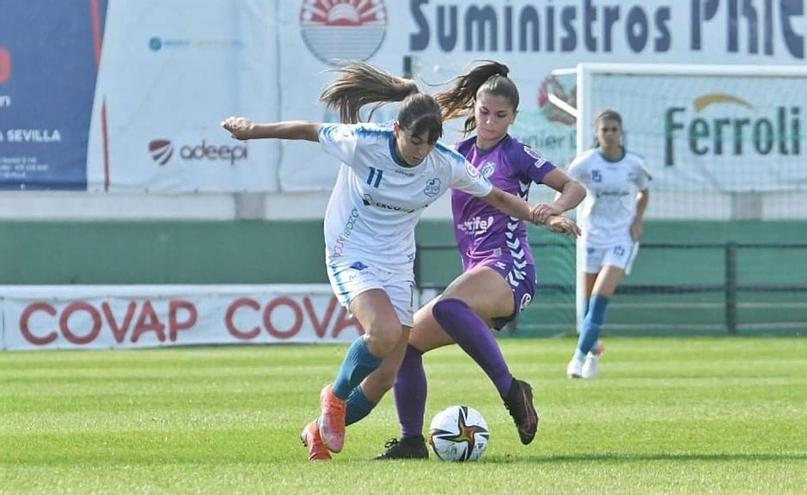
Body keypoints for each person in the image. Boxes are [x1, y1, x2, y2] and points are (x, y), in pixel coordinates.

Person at [221, 62, 579, 461]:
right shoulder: (373, 142)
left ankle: (508, 393)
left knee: (418, 336)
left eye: (428, 144)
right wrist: (252, 131)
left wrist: (546, 213)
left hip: (473, 266)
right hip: (353, 251)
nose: (419, 152)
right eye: (414, 141)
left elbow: (504, 197)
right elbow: (308, 130)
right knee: (394, 341)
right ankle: (363, 419)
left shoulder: (457, 161)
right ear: (398, 130)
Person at [351, 61, 587, 460]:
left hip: (510, 271)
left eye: (501, 115)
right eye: (484, 112)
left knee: (447, 306)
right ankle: (411, 441)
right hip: (477, 273)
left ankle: (513, 392)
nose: (491, 121)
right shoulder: (454, 155)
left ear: (514, 116)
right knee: (406, 346)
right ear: (473, 109)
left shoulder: (517, 154)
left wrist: (555, 209)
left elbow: (573, 186)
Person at [565, 109, 650, 379]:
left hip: (620, 238)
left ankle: (576, 359)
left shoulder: (634, 165)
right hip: (591, 236)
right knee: (587, 309)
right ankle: (593, 351)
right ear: (597, 133)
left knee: (600, 300)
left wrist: (637, 221)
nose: (610, 134)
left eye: (614, 129)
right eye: (605, 130)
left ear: (621, 132)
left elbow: (644, 192)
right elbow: (567, 185)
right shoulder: (586, 163)